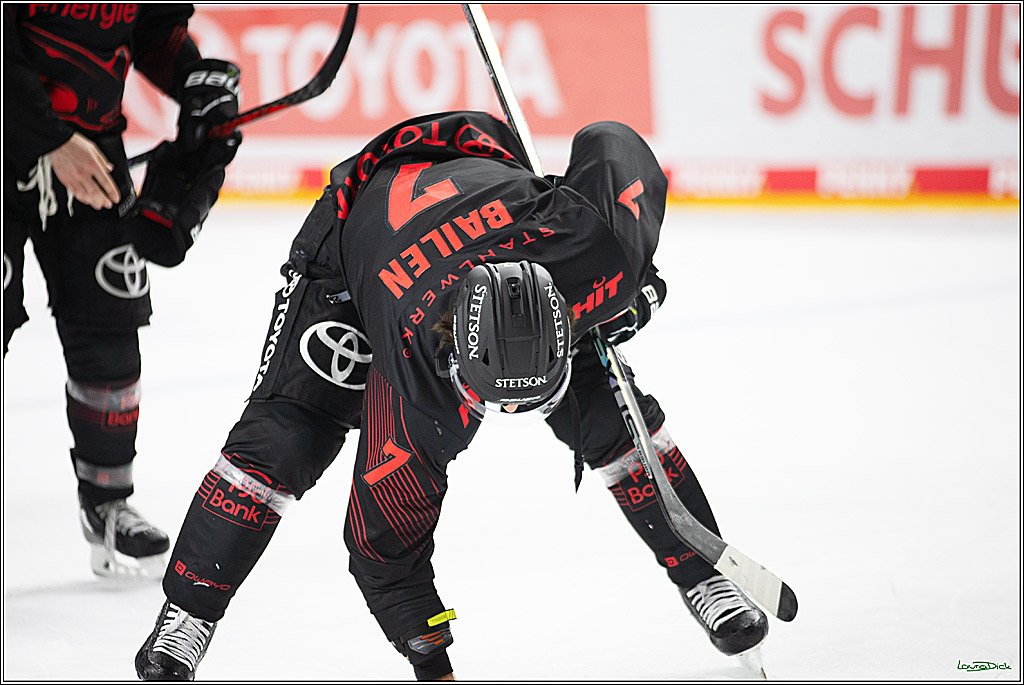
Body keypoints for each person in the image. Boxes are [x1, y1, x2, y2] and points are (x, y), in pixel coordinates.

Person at [133, 110, 769, 680]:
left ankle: (703, 574)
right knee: (286, 435)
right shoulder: (412, 373)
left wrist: (635, 282)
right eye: (495, 401)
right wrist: (431, 661)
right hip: (355, 243)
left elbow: (613, 141)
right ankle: (187, 615)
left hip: (484, 163)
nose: (510, 415)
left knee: (609, 414)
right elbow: (382, 544)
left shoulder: (593, 251)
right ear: (454, 359)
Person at [3, 4, 242, 578]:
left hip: (92, 152)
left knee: (110, 331)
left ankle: (106, 504)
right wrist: (49, 139)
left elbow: (152, 30)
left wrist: (195, 83)